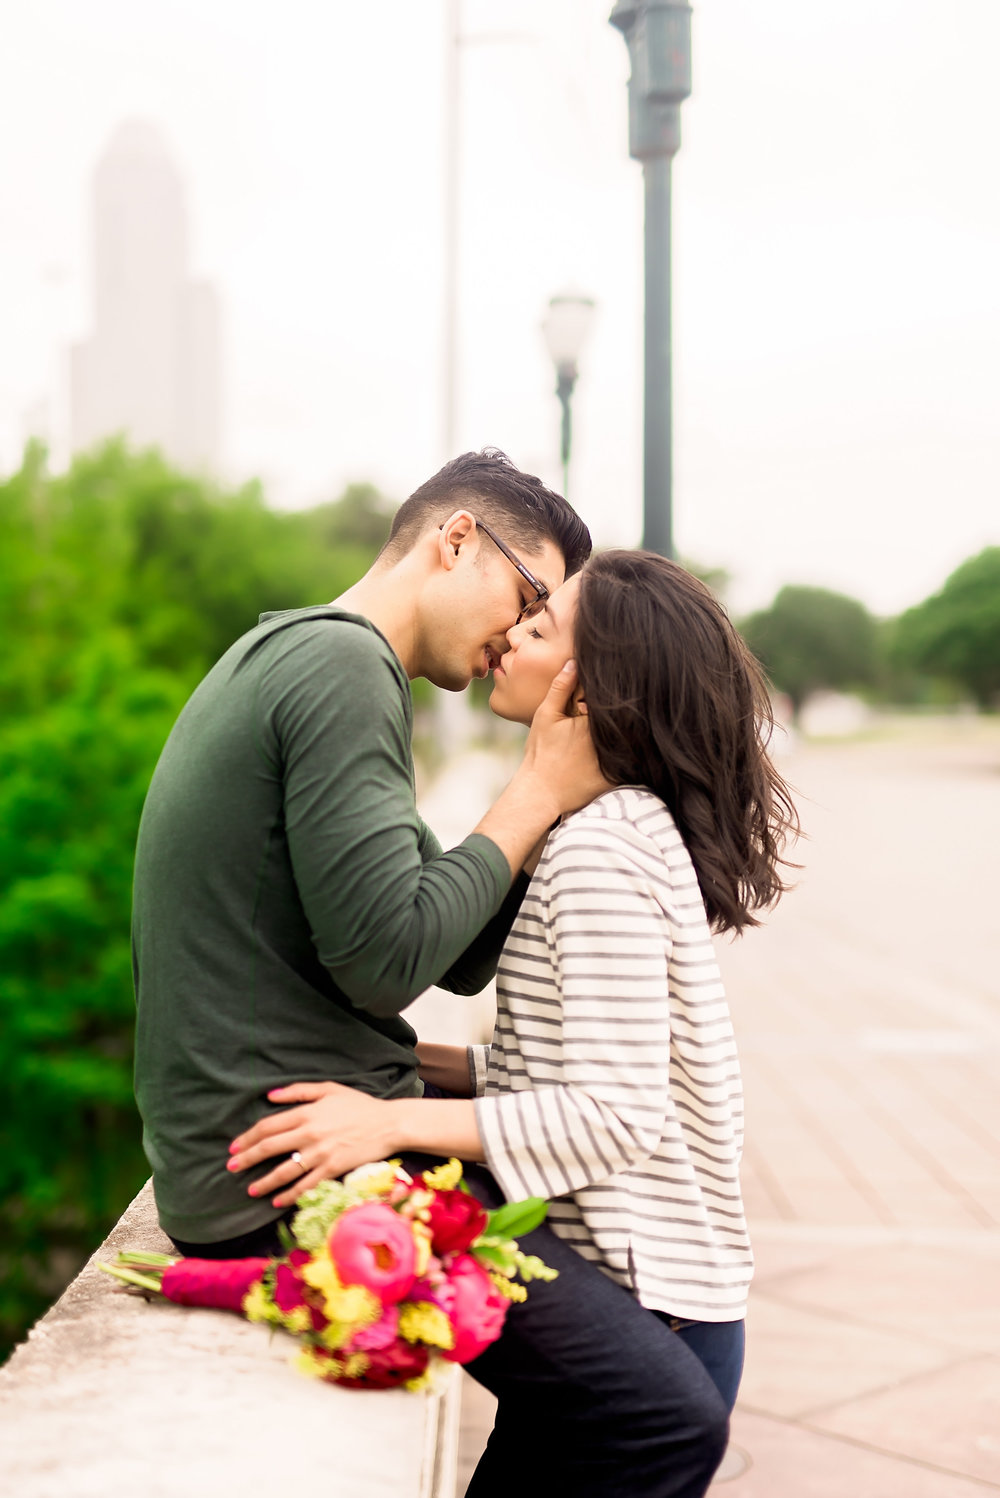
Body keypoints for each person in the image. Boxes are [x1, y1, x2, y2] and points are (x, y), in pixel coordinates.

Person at [228, 551, 799, 1498]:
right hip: (655, 1300)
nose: (511, 635)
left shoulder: (599, 854)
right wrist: (420, 1068)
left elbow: (613, 1114)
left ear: (591, 686)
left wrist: (390, 1123)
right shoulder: (608, 828)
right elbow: (568, 1065)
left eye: (543, 627)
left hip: (651, 1311)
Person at [132, 448, 605, 1257]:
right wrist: (534, 791)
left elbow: (450, 960)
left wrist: (549, 802)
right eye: (529, 598)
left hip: (260, 1169)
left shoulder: (294, 654)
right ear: (458, 539)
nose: (522, 633)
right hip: (294, 1184)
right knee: (664, 1383)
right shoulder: (344, 665)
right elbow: (386, 962)